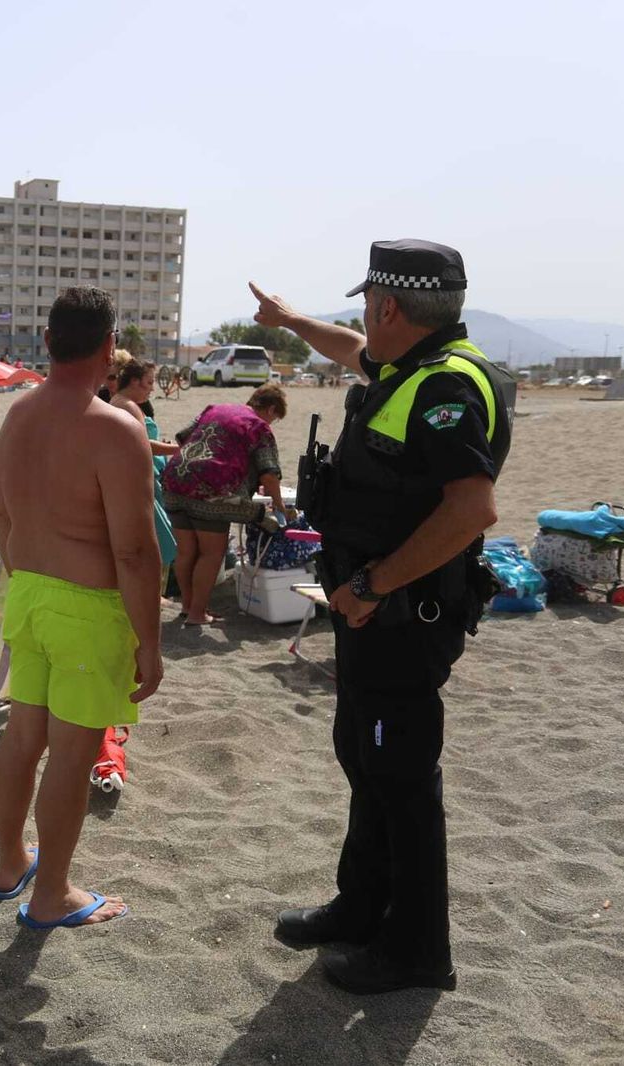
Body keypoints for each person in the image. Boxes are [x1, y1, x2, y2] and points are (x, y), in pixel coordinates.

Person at [250, 239, 512, 994]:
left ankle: (419, 952)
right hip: (372, 611)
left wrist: (372, 585)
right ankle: (361, 907)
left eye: (369, 304)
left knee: (399, 776)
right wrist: (293, 320)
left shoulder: (447, 388)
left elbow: (472, 509)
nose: (364, 318)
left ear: (391, 306)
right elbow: (352, 350)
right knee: (364, 758)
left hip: (402, 613)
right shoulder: (408, 369)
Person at [0, 287, 162, 929]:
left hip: (27, 593)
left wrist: (31, 581)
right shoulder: (116, 427)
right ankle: (50, 892)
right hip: (87, 607)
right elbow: (137, 552)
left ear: (49, 343)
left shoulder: (16, 417)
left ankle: (11, 863)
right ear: (110, 347)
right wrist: (150, 639)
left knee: (22, 736)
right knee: (71, 753)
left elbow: (3, 517)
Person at [161, 384, 287, 625]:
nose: (272, 423)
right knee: (211, 553)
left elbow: (182, 437)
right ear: (271, 409)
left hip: (176, 478)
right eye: (275, 418)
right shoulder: (259, 427)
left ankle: (187, 608)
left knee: (186, 552)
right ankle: (198, 614)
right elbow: (270, 474)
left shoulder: (215, 408)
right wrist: (279, 505)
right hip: (211, 489)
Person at [110, 359, 180, 596]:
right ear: (134, 381)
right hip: (137, 486)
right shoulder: (126, 405)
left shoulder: (123, 403)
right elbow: (143, 444)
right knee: (159, 546)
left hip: (138, 483)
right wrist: (177, 449)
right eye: (149, 382)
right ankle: (151, 600)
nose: (152, 388)